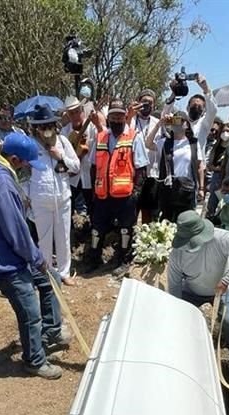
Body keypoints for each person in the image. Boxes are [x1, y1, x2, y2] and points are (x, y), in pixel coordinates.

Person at [0, 132, 69, 380]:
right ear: (14, 159)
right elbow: (15, 231)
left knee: (52, 280)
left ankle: (51, 332)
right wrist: (36, 258)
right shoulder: (2, 184)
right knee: (29, 312)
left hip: (12, 254)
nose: (28, 167)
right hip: (4, 261)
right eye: (25, 163)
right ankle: (34, 360)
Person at [167, 210, 229, 379]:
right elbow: (175, 284)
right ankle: (184, 360)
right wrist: (178, 311)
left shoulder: (222, 238)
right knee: (183, 324)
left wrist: (226, 280)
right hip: (192, 291)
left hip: (223, 290)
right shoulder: (177, 253)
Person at [85, 99, 149, 274]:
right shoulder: (100, 137)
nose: (117, 120)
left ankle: (123, 260)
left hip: (125, 195)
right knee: (97, 229)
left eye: (120, 116)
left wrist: (136, 193)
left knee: (125, 229)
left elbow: (141, 169)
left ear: (125, 116)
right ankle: (94, 259)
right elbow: (93, 166)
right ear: (108, 118)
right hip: (102, 194)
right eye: (113, 116)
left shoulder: (134, 137)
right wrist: (93, 191)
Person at [26, 104, 79, 285]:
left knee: (64, 237)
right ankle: (47, 273)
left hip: (63, 197)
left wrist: (60, 156)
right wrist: (26, 197)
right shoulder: (30, 145)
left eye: (49, 125)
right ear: (36, 128)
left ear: (54, 126)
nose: (46, 130)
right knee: (44, 240)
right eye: (42, 126)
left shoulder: (63, 142)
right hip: (40, 200)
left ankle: (64, 272)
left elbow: (76, 166)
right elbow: (23, 174)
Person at [147, 109, 202, 222]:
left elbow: (200, 166)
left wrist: (201, 188)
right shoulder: (164, 142)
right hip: (168, 190)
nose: (176, 124)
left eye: (179, 121)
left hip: (187, 189)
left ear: (186, 124)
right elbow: (148, 144)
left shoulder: (193, 143)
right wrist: (159, 124)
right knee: (167, 221)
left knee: (185, 221)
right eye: (174, 121)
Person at [62, 96, 97, 220]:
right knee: (68, 206)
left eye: (77, 111)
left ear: (82, 111)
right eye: (72, 113)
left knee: (93, 207)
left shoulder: (92, 128)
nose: (75, 115)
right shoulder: (64, 132)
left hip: (89, 174)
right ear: (68, 115)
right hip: (72, 177)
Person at [131, 89, 161, 223]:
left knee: (148, 212)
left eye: (150, 103)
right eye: (144, 102)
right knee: (132, 210)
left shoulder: (157, 123)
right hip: (133, 173)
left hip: (152, 173)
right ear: (138, 103)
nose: (147, 105)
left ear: (154, 106)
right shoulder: (131, 120)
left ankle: (146, 240)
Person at [206, 121, 229, 218]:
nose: (225, 133)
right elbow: (210, 163)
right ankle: (210, 216)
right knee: (213, 199)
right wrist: (215, 168)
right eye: (223, 131)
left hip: (228, 176)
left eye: (228, 131)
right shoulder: (216, 145)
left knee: (228, 200)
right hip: (216, 177)